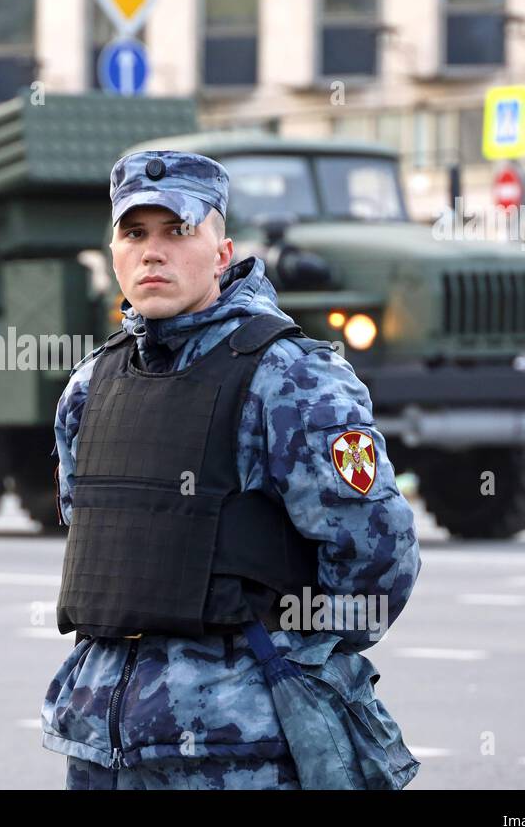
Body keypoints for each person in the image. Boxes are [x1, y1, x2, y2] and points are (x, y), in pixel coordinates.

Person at [40, 150, 422, 790]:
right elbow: (88, 525)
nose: (152, 253)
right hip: (100, 743)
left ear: (222, 252)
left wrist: (282, 667)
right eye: (134, 234)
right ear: (113, 252)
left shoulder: (290, 376)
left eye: (177, 231)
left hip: (237, 752)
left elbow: (377, 558)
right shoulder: (89, 384)